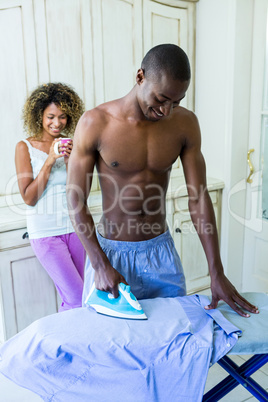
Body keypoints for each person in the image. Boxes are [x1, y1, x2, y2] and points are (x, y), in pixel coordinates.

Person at [67, 44, 259, 317]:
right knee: (113, 351)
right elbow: (75, 198)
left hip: (162, 254)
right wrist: (99, 265)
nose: (166, 111)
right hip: (111, 255)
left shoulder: (185, 124)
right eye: (161, 99)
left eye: (177, 102)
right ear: (140, 77)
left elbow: (198, 197)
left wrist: (216, 272)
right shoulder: (95, 123)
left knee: (176, 340)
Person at [15, 82, 86, 311]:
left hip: (75, 228)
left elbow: (80, 192)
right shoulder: (24, 147)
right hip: (46, 234)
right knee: (75, 299)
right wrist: (49, 160)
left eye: (63, 116)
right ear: (39, 115)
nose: (57, 123)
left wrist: (71, 162)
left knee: (87, 295)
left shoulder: (71, 144)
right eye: (51, 116)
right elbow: (29, 198)